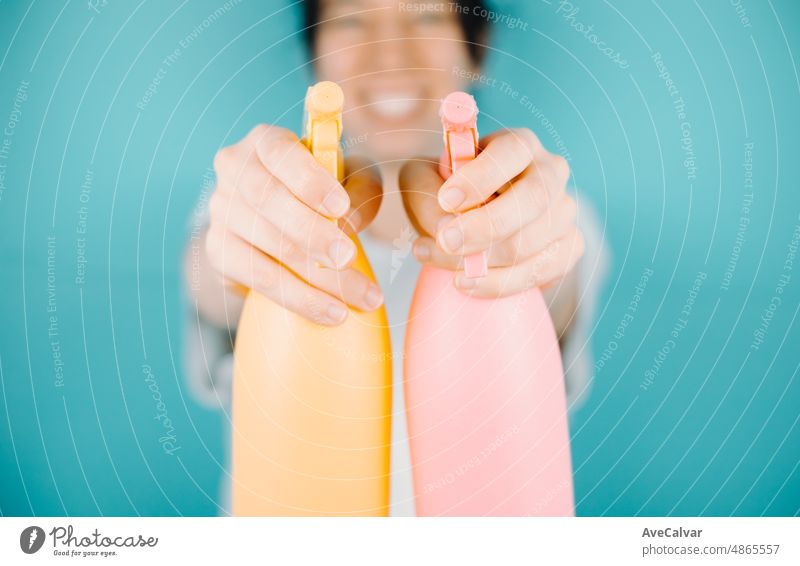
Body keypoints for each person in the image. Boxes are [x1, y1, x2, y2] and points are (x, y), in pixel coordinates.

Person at [183, 0, 608, 516]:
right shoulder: (252, 207)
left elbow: (560, 296)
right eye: (352, 20)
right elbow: (212, 289)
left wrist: (533, 257)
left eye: (427, 16)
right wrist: (228, 251)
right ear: (316, 58)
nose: (389, 52)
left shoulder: (548, 214)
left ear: (476, 54)